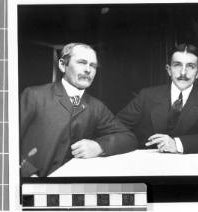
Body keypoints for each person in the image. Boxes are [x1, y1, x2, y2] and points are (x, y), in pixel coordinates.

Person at [20, 43, 137, 177]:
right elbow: (5, 142)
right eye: (82, 62)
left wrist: (99, 147)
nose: (88, 70)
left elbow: (128, 138)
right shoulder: (34, 96)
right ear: (63, 65)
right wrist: (28, 174)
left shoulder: (96, 107)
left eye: (93, 65)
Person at [116, 43, 198, 154]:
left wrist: (178, 144)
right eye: (177, 65)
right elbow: (116, 127)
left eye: (190, 66)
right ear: (169, 70)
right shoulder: (146, 96)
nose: (183, 72)